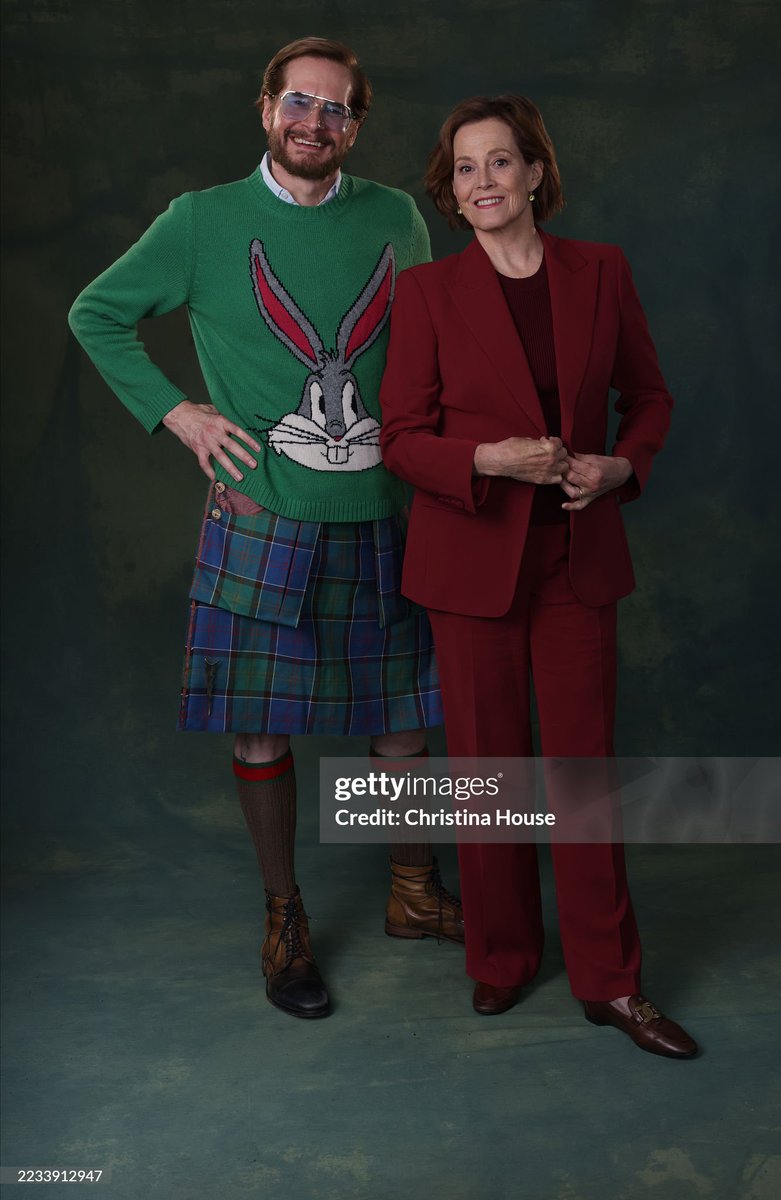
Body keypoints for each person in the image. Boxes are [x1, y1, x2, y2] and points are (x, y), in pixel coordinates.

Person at [68, 37, 464, 1022]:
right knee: (257, 721)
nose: (313, 122)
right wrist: (179, 414)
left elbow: (427, 352)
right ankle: (284, 917)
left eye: (335, 108)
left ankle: (413, 892)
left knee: (403, 718)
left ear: (355, 126)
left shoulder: (396, 217)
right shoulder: (200, 221)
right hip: (262, 516)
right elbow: (96, 313)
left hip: (382, 510)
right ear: (264, 109)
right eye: (298, 101)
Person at [379, 94, 697, 1057]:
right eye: (464, 168)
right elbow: (401, 438)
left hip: (575, 556)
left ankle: (612, 983)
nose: (482, 180)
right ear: (450, 192)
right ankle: (503, 956)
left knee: (583, 775)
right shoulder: (427, 293)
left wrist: (623, 467)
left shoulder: (601, 271)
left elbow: (649, 396)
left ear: (535, 174)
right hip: (470, 561)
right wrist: (486, 460)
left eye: (500, 161)